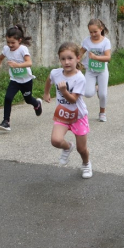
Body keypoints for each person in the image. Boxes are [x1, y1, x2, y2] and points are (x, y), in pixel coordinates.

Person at [44, 42, 92, 179]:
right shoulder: (56, 73)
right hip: (63, 115)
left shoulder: (80, 78)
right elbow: (49, 80)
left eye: (70, 58)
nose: (66, 62)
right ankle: (67, 147)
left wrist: (63, 91)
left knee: (81, 148)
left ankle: (86, 163)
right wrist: (46, 93)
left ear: (78, 58)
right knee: (56, 140)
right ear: (59, 59)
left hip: (78, 116)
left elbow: (72, 99)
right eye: (63, 59)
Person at [0, 24, 42, 131]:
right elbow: (0, 59)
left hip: (26, 80)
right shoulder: (6, 49)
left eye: (13, 43)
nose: (10, 45)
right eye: (8, 42)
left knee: (28, 100)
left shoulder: (23, 49)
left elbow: (29, 63)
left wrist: (17, 65)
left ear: (19, 40)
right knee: (8, 98)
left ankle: (37, 104)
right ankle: (6, 122)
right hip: (14, 80)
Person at [80, 19, 112, 122]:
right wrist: (75, 61)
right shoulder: (87, 41)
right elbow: (80, 53)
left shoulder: (106, 42)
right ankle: (96, 88)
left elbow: (108, 57)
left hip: (102, 71)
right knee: (87, 93)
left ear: (101, 29)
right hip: (90, 71)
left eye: (95, 31)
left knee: (103, 94)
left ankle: (102, 113)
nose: (93, 34)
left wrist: (95, 57)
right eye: (91, 32)